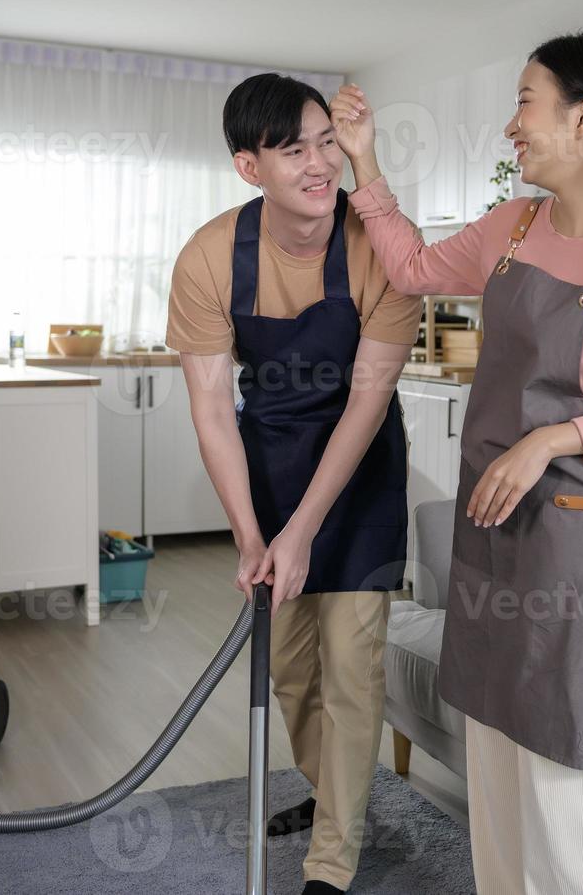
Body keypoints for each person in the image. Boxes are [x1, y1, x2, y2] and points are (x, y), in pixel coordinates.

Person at [330, 31, 583, 895]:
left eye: (525, 101)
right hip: (493, 519)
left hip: (579, 535)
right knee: (495, 738)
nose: (511, 125)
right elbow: (414, 268)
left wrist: (550, 438)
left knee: (567, 746)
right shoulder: (516, 224)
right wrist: (364, 159)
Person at [166, 72, 421, 895]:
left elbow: (367, 395)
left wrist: (305, 529)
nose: (320, 165)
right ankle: (332, 795)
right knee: (289, 670)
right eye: (293, 150)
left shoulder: (381, 245)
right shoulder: (210, 256)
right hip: (269, 463)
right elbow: (210, 406)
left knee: (353, 662)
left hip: (360, 470)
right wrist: (249, 532)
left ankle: (331, 863)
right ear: (250, 168)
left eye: (326, 142)